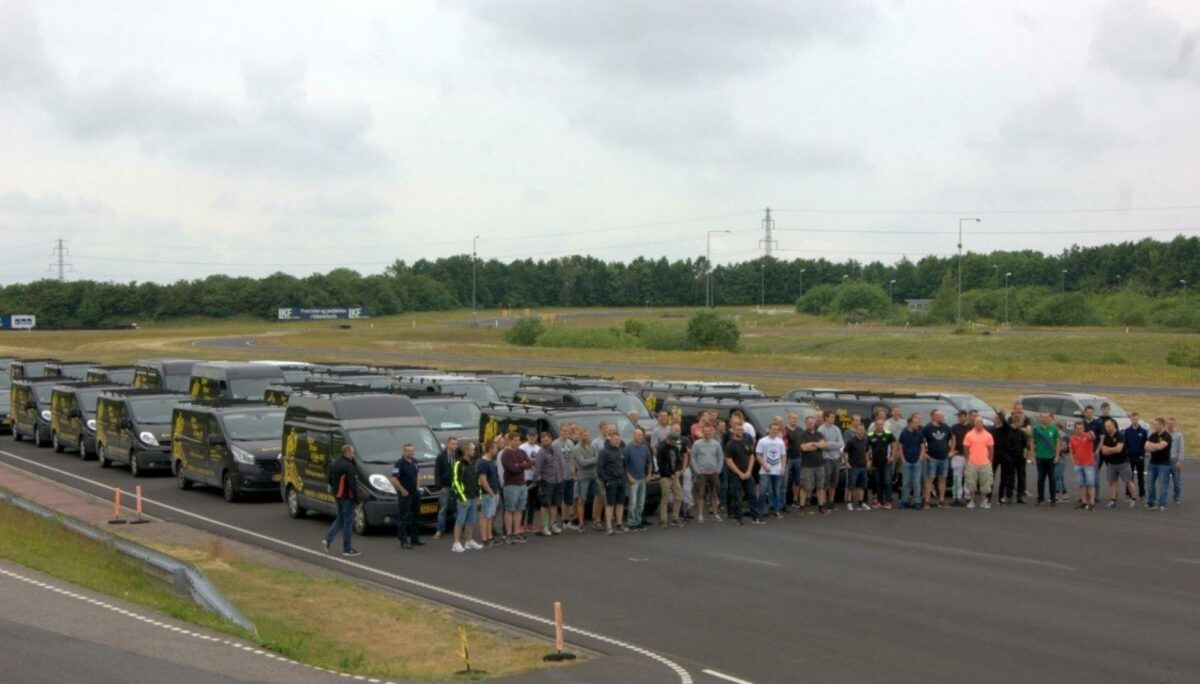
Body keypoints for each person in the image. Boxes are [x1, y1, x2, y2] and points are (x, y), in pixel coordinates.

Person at [323, 445, 361, 556]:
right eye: (353, 453)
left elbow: (329, 480)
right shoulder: (348, 466)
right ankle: (347, 548)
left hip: (338, 496)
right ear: (347, 453)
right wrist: (356, 499)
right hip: (347, 497)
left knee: (339, 519)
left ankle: (327, 539)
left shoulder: (334, 464)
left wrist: (336, 492)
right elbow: (353, 484)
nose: (354, 455)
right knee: (348, 522)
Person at [725, 423, 763, 525]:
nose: (740, 432)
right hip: (735, 474)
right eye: (737, 430)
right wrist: (740, 473)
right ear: (733, 431)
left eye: (741, 430)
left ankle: (756, 517)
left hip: (747, 473)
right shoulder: (730, 444)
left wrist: (749, 471)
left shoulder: (746, 442)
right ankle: (738, 518)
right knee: (736, 496)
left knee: (752, 494)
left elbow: (751, 456)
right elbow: (729, 461)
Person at [500, 432, 534, 544]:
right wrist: (522, 465)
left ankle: (516, 532)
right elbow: (511, 469)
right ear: (509, 440)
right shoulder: (506, 454)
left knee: (519, 509)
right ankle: (508, 533)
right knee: (510, 510)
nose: (517, 442)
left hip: (522, 485)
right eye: (515, 440)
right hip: (511, 486)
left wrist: (519, 465)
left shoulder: (521, 452)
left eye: (518, 440)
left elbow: (529, 464)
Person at [389, 444, 421, 551]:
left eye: (412, 451)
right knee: (404, 517)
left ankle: (414, 538)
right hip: (405, 494)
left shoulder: (415, 461)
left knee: (416, 516)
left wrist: (417, 487)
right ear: (403, 452)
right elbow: (393, 479)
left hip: (414, 493)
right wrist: (402, 490)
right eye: (408, 451)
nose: (410, 453)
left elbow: (417, 474)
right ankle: (403, 540)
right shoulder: (399, 463)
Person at [450, 442, 482, 552]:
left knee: (471, 521)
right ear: (466, 451)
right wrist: (462, 497)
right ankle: (456, 543)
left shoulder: (473, 463)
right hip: (464, 499)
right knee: (460, 521)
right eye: (472, 450)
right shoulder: (458, 464)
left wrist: (478, 495)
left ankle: (469, 541)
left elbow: (477, 480)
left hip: (473, 497)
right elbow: (455, 482)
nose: (474, 451)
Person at [533, 431, 565, 536]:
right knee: (545, 504)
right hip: (546, 481)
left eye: (547, 439)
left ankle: (552, 525)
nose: (545, 441)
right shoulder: (541, 453)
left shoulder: (556, 450)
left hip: (558, 480)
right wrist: (536, 482)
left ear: (551, 439)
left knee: (555, 504)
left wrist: (561, 476)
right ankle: (544, 526)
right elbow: (537, 469)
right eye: (543, 439)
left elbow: (560, 463)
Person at [597, 430, 629, 535]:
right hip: (611, 481)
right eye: (615, 439)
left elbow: (624, 465)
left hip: (621, 480)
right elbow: (600, 468)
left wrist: (624, 476)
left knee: (620, 503)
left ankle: (619, 524)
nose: (617, 441)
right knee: (610, 504)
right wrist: (607, 480)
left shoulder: (620, 450)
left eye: (619, 440)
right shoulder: (604, 452)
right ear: (610, 439)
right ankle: (609, 527)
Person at [691, 423, 723, 522]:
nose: (707, 433)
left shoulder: (716, 444)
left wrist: (719, 469)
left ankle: (715, 514)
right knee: (701, 494)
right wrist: (697, 470)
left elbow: (720, 457)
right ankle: (700, 515)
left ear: (712, 432)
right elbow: (693, 458)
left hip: (714, 472)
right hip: (702, 473)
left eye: (709, 431)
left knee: (714, 494)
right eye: (705, 431)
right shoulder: (697, 444)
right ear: (702, 432)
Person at [1100, 419, 1135, 509]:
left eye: (1109, 426)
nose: (1107, 428)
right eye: (1106, 427)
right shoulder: (1106, 437)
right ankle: (1112, 500)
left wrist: (1109, 449)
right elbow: (1103, 451)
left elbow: (1119, 449)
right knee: (1112, 482)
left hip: (1123, 462)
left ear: (1114, 426)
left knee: (1128, 481)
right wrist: (1112, 449)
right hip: (1111, 463)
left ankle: (1133, 499)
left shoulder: (1120, 435)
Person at [796, 415, 828, 515]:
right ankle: (802, 506)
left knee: (820, 486)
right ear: (806, 424)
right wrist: (817, 445)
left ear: (814, 423)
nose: (811, 424)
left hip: (819, 464)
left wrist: (812, 444)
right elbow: (804, 448)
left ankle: (821, 505)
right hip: (807, 465)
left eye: (812, 423)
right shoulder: (802, 435)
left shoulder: (819, 434)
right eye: (809, 423)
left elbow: (824, 445)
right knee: (805, 487)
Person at [993, 411, 1027, 505]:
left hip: (1020, 459)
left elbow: (1025, 446)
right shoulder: (1008, 431)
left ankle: (1020, 496)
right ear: (1015, 421)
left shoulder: (1022, 433)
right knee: (1010, 478)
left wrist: (1024, 457)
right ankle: (1008, 495)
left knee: (1021, 478)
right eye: (1020, 421)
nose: (1022, 423)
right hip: (1010, 457)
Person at [756, 421, 788, 519]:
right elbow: (758, 455)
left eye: (776, 429)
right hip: (765, 471)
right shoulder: (762, 441)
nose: (774, 431)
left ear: (778, 431)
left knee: (776, 491)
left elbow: (783, 455)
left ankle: (775, 510)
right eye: (772, 429)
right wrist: (764, 465)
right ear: (769, 429)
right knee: (763, 491)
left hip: (777, 470)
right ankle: (760, 511)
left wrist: (783, 467)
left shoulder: (780, 441)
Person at [921, 410, 953, 508]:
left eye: (943, 417)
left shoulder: (946, 427)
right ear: (934, 417)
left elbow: (952, 438)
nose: (942, 419)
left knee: (942, 479)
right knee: (929, 479)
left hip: (944, 458)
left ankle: (941, 500)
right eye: (940, 417)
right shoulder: (927, 428)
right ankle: (927, 500)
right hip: (932, 458)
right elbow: (921, 440)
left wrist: (951, 451)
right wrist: (924, 453)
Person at [656, 430, 687, 527]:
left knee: (679, 496)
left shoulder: (675, 448)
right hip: (665, 477)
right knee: (665, 498)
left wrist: (678, 470)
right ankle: (663, 520)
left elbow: (679, 460)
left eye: (675, 441)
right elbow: (661, 465)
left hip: (675, 476)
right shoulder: (661, 449)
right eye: (673, 441)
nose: (674, 443)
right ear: (668, 439)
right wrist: (670, 474)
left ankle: (675, 518)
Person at [572, 428, 601, 532]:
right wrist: (593, 460)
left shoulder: (592, 445)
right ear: (580, 436)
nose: (586, 437)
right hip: (582, 476)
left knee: (599, 496)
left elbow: (598, 458)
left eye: (587, 435)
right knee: (582, 500)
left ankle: (596, 521)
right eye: (584, 435)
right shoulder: (576, 448)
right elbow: (582, 463)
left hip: (594, 474)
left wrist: (591, 461)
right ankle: (581, 524)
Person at [963, 416, 995, 510]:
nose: (979, 424)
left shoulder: (988, 435)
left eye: (980, 422)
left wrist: (990, 461)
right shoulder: (969, 434)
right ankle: (972, 501)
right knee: (971, 482)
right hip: (972, 463)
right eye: (977, 422)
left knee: (985, 483)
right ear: (974, 423)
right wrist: (968, 459)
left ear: (983, 424)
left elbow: (991, 450)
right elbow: (965, 448)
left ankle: (983, 501)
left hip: (985, 463)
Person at [866, 417, 897, 510]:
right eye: (878, 424)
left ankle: (888, 501)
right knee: (877, 481)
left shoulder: (889, 434)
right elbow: (866, 449)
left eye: (881, 424)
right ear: (875, 425)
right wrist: (868, 460)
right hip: (875, 462)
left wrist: (892, 457)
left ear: (883, 425)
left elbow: (894, 445)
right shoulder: (870, 435)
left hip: (886, 461)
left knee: (887, 481)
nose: (880, 426)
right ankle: (879, 501)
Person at [624, 428, 653, 529]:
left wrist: (649, 474)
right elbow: (624, 465)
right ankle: (631, 522)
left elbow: (649, 462)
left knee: (640, 502)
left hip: (642, 479)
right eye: (638, 435)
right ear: (634, 436)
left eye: (641, 435)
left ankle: (638, 521)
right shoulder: (628, 448)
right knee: (632, 502)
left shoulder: (645, 448)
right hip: (633, 480)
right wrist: (629, 477)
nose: (640, 437)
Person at [1032, 411, 1061, 506]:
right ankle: (1040, 498)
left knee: (1052, 479)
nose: (1045, 419)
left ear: (1050, 418)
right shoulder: (1036, 429)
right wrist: (1032, 456)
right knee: (1041, 479)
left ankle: (1053, 498)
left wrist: (1057, 456)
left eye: (1047, 417)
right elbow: (1032, 442)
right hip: (1040, 457)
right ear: (1040, 418)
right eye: (1043, 417)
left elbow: (1057, 443)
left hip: (1051, 457)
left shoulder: (1054, 429)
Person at [432, 437, 459, 540]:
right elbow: (437, 472)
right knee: (443, 508)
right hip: (445, 487)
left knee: (457, 508)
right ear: (448, 444)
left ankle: (458, 528)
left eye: (456, 444)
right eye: (452, 444)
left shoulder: (456, 456)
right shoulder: (441, 457)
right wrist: (440, 486)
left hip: (456, 486)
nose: (454, 446)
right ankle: (439, 530)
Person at [477, 438, 502, 547]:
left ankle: (489, 536)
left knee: (490, 516)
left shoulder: (491, 461)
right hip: (488, 494)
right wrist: (490, 492)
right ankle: (484, 538)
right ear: (490, 449)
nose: (497, 450)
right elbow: (482, 479)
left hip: (494, 492)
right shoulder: (483, 463)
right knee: (484, 516)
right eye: (496, 448)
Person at [552, 424, 577, 530]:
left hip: (569, 475)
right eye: (563, 431)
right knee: (558, 500)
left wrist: (574, 471)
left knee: (568, 499)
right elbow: (552, 460)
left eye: (567, 431)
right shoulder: (555, 444)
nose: (565, 433)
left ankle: (566, 521)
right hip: (559, 476)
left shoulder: (571, 443)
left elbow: (572, 458)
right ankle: (556, 522)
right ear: (559, 432)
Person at [1145, 418, 1174, 511]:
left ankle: (1162, 503)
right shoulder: (1152, 435)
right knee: (1150, 483)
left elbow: (1161, 446)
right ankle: (1151, 502)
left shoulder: (1167, 436)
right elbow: (1146, 446)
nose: (1154, 426)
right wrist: (1155, 446)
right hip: (1152, 463)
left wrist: (1153, 446)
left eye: (1156, 424)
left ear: (1162, 425)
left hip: (1164, 464)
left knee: (1163, 484)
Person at [818, 411, 845, 509]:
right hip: (826, 458)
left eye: (834, 417)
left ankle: (831, 501)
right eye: (831, 417)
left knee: (834, 482)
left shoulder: (836, 429)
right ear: (826, 418)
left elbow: (841, 443)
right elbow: (822, 445)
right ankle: (823, 501)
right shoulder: (821, 429)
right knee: (826, 481)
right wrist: (833, 444)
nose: (833, 419)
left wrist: (829, 444)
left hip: (836, 458)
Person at [898, 415, 925, 509]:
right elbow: (900, 446)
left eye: (918, 422)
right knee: (905, 482)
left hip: (916, 460)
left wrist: (920, 458)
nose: (917, 424)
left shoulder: (919, 433)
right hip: (907, 460)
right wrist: (903, 459)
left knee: (916, 482)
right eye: (915, 422)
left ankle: (917, 501)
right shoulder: (904, 433)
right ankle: (904, 500)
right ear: (910, 423)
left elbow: (922, 446)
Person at [1068, 422, 1097, 510]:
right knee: (1081, 484)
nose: (1079, 430)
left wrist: (1092, 433)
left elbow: (1093, 438)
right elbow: (1071, 451)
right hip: (1078, 464)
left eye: (1081, 428)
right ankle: (1084, 502)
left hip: (1088, 464)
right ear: (1075, 429)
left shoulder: (1087, 436)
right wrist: (1073, 462)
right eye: (1077, 428)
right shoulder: (1072, 438)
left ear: (1083, 428)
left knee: (1090, 483)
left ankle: (1091, 502)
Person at [842, 421, 870, 511]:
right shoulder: (851, 441)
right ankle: (849, 502)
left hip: (863, 466)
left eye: (862, 430)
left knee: (862, 486)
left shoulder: (865, 440)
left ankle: (861, 502)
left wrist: (868, 460)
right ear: (856, 431)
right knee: (851, 485)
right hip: (853, 466)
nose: (861, 431)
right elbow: (845, 452)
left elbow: (866, 451)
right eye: (859, 429)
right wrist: (847, 462)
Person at [519, 429, 541, 533]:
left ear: (537, 436)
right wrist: (531, 463)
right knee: (524, 502)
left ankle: (530, 523)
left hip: (535, 478)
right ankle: (521, 524)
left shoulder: (538, 448)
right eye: (530, 435)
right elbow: (521, 461)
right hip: (525, 478)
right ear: (527, 436)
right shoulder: (522, 447)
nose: (532, 437)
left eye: (534, 435)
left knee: (532, 502)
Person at [1123, 413, 1149, 502]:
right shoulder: (1127, 431)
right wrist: (1126, 455)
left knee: (1141, 477)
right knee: (1129, 477)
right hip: (1130, 457)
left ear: (1138, 419)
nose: (1134, 421)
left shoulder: (1143, 431)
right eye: (1133, 419)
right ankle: (1128, 493)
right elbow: (1125, 444)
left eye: (1136, 419)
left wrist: (1143, 454)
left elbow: (1145, 444)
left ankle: (1142, 494)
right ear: (1131, 419)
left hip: (1139, 457)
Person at [784, 412, 806, 511]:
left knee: (797, 480)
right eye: (793, 418)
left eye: (796, 418)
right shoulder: (784, 430)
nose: (795, 420)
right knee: (785, 480)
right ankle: (783, 501)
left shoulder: (801, 430)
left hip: (798, 458)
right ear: (789, 418)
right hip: (788, 458)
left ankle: (795, 499)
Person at [1167, 417, 1184, 505]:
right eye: (1168, 423)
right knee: (1164, 480)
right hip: (1165, 460)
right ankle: (1163, 497)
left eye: (1171, 424)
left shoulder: (1178, 435)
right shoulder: (1164, 434)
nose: (1170, 425)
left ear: (1174, 424)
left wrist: (1180, 461)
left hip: (1174, 460)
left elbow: (1181, 448)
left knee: (1176, 480)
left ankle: (1177, 497)